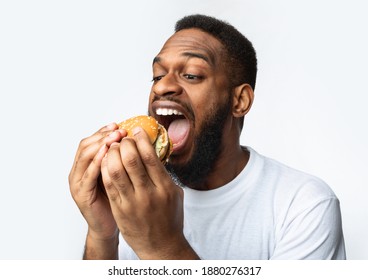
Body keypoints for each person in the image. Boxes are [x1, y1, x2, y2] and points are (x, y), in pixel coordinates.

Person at [69, 14, 346, 260]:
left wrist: (163, 247)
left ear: (240, 100)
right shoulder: (133, 196)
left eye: (191, 75)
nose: (163, 86)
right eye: (157, 76)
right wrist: (102, 235)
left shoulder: (304, 205)